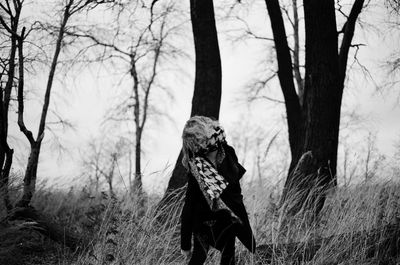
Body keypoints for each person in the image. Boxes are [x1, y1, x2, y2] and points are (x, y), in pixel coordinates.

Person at [180, 116, 256, 265]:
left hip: (226, 220)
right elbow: (189, 206)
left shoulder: (227, 153)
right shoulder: (197, 166)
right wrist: (185, 245)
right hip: (203, 223)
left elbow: (235, 193)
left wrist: (240, 220)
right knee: (198, 257)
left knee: (228, 256)